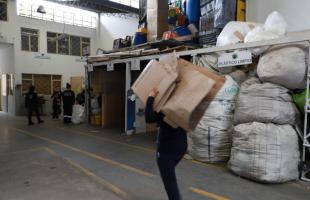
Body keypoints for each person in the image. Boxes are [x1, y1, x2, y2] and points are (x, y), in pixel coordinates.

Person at [145, 88, 187, 200]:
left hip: (167, 151)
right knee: (169, 175)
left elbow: (148, 118)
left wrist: (151, 97)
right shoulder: (183, 104)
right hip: (181, 147)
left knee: (169, 182)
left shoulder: (164, 107)